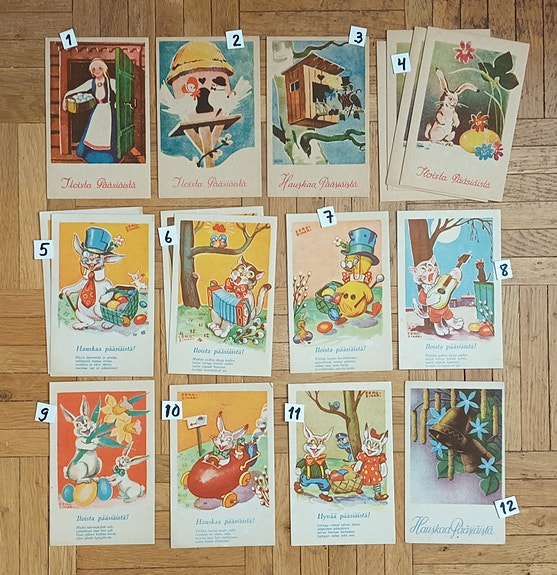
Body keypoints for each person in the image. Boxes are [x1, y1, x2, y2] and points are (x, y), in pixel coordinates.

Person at [63, 58, 118, 163]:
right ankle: (93, 153)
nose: (97, 71)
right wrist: (66, 96)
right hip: (97, 111)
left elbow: (121, 93)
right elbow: (78, 90)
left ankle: (108, 155)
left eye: (99, 68)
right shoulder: (91, 82)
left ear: (104, 69)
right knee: (93, 131)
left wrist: (117, 103)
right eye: (94, 69)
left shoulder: (111, 82)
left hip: (107, 111)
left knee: (107, 133)